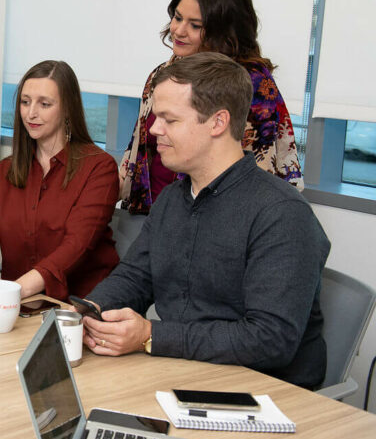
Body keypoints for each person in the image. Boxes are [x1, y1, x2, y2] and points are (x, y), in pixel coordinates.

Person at [82, 53, 329, 389]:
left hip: (263, 393)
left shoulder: (282, 213)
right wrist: (92, 311)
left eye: (169, 119)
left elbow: (270, 339)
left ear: (217, 122)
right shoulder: (173, 198)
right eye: (156, 118)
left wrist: (150, 336)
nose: (154, 130)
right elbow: (136, 278)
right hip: (185, 373)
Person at [119, 0, 303, 214]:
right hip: (153, 213)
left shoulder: (250, 84)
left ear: (225, 32)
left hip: (214, 219)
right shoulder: (162, 74)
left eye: (195, 25)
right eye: (177, 17)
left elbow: (255, 172)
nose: (179, 31)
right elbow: (138, 150)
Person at [0, 61, 119, 300]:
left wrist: (13, 291)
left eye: (44, 104)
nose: (31, 113)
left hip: (79, 305)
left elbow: (75, 246)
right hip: (21, 303)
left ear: (67, 108)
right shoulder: (7, 170)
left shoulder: (99, 168)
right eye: (25, 102)